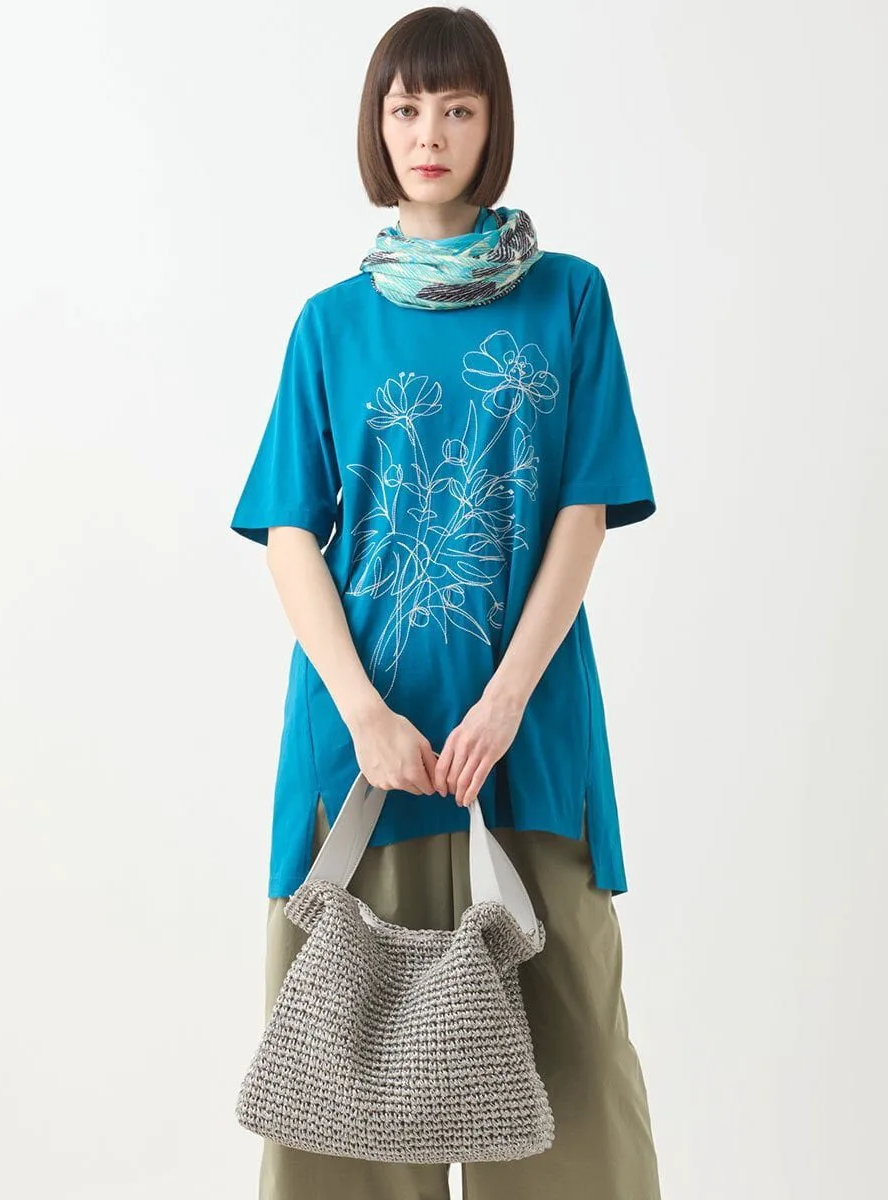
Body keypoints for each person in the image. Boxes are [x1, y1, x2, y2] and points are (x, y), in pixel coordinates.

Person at [230, 7, 663, 1198]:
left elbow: (584, 510)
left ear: (491, 125)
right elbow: (288, 534)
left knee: (575, 1089)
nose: (429, 134)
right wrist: (363, 712)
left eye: (457, 109)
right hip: (361, 750)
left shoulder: (568, 299)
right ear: (378, 126)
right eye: (406, 108)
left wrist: (508, 700)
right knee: (348, 1104)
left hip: (526, 741)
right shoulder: (330, 324)